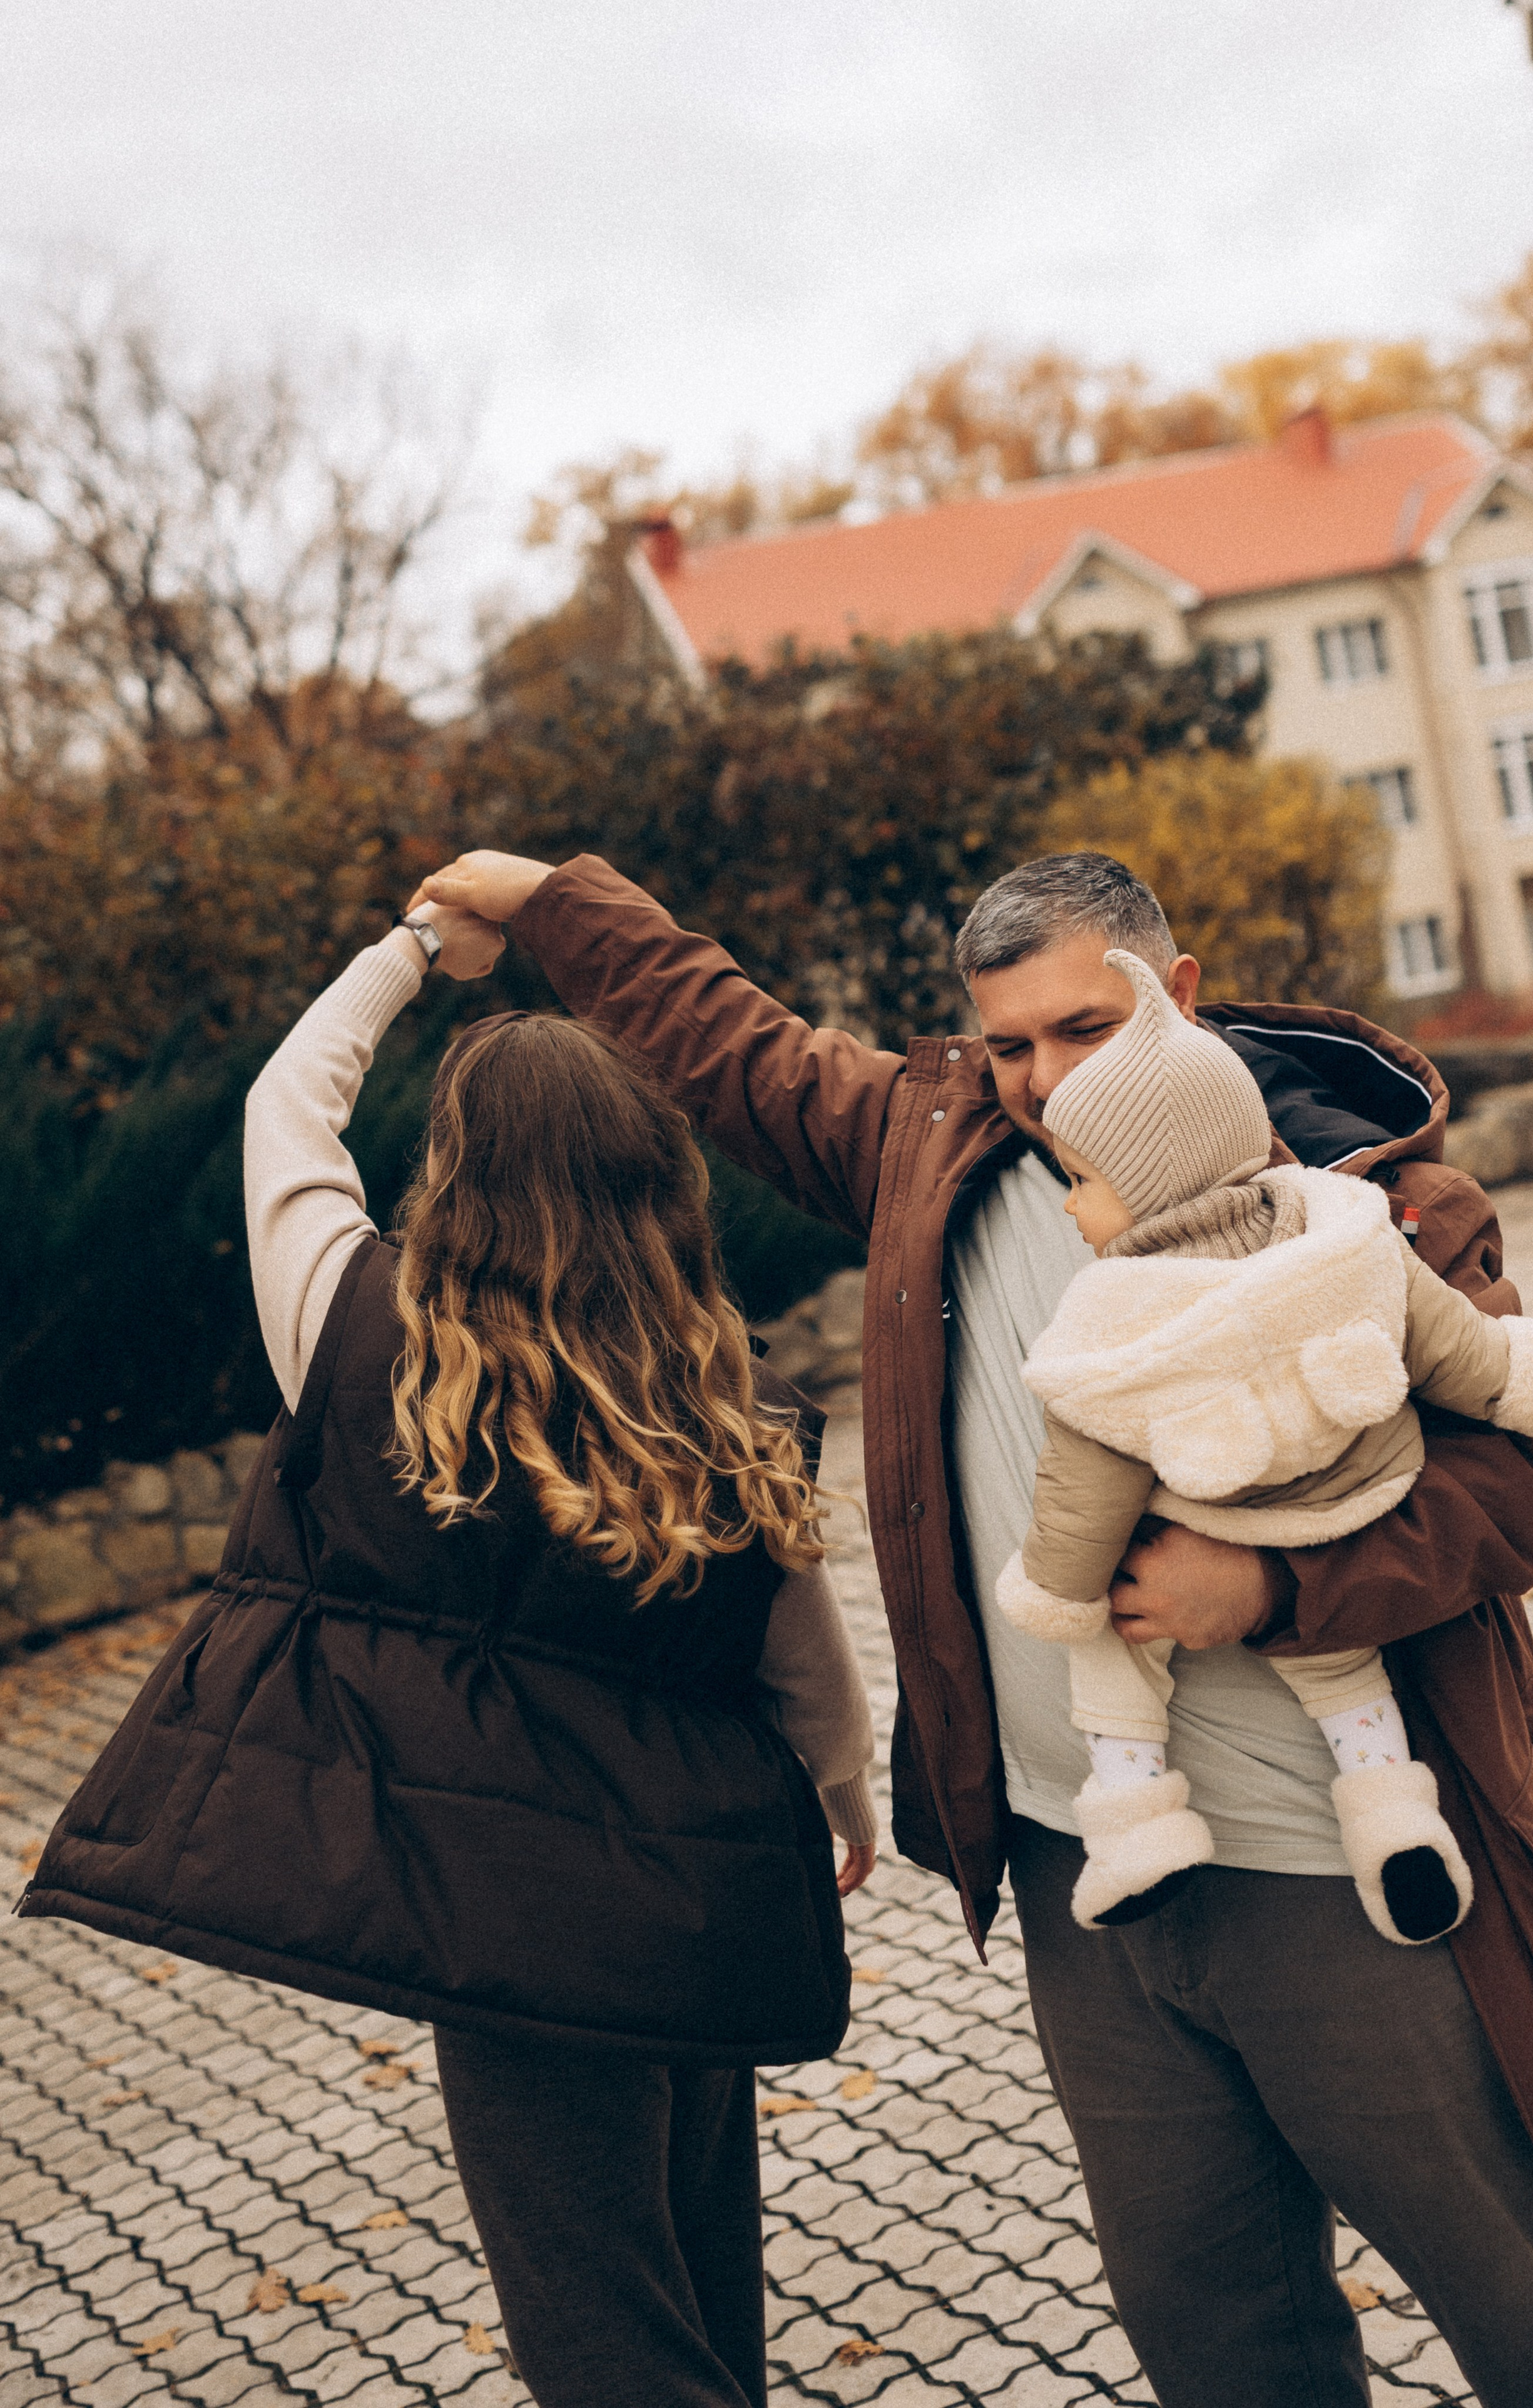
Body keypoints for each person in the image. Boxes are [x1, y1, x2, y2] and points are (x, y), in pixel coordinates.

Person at [405, 842, 1533, 2408]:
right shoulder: (930, 1155)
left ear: (1172, 992)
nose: (1042, 1079)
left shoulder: (1364, 1191)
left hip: (1349, 1873)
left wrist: (1271, 1592)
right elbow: (728, 1041)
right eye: (1009, 1043)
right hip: (1087, 1875)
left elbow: (1519, 1483)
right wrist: (548, 895)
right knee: (1215, 2333)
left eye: (1081, 1029)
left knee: (1529, 2306)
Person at [22, 899, 879, 2408]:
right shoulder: (717, 1387)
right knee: (701, 2277)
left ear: (454, 1173)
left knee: (598, 2328)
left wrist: (412, 948)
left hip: (504, 1924)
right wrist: (845, 1791)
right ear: (651, 1178)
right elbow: (797, 1649)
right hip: (688, 1892)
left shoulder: (353, 1327)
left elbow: (285, 1111)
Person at [996, 945, 1533, 1939]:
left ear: (1144, 1181)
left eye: (1083, 1180)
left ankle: (1137, 1818)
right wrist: (1528, 1379)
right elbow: (1452, 1346)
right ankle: (1397, 1823)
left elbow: (1086, 1479)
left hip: (1224, 1523)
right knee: (1344, 1675)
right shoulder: (1339, 1234)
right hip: (1353, 1504)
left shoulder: (1116, 1317)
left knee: (1110, 1649)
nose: (1068, 1203)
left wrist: (1057, 1589)